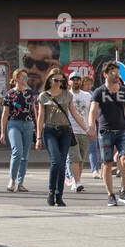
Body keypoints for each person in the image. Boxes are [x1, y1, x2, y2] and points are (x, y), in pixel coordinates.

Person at [88, 62, 125, 206]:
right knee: (107, 163)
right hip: (105, 131)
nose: (116, 75)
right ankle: (110, 194)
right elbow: (92, 111)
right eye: (112, 72)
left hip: (122, 130)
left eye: (117, 72)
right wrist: (91, 127)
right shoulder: (99, 91)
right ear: (105, 75)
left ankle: (123, 191)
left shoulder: (124, 91)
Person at [35, 68, 88, 207]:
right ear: (50, 80)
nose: (58, 83)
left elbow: (75, 114)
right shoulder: (43, 96)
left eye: (61, 80)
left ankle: (59, 196)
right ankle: (51, 192)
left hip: (65, 131)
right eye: (56, 80)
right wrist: (38, 137)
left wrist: (87, 129)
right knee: (56, 161)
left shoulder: (67, 95)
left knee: (63, 161)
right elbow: (40, 117)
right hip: (50, 131)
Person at [0, 69, 35, 192]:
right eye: (24, 77)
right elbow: (4, 114)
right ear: (17, 78)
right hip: (14, 124)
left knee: (25, 155)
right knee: (17, 151)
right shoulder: (9, 94)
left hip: (28, 124)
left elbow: (34, 111)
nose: (26, 79)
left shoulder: (30, 93)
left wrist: (37, 128)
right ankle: (12, 180)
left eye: (26, 77)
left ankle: (20, 182)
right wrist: (2, 132)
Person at [66, 72, 94, 192]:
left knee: (81, 158)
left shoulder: (87, 96)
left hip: (85, 131)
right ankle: (75, 181)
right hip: (71, 130)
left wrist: (91, 128)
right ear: (69, 81)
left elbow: (92, 112)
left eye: (78, 79)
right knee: (74, 157)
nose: (75, 81)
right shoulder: (66, 95)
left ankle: (77, 180)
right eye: (73, 79)